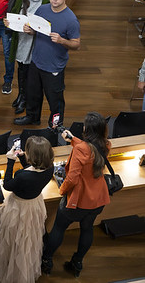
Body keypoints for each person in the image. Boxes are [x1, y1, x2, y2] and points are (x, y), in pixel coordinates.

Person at [41, 112, 111, 277]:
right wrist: (73, 139)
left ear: (88, 130)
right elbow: (91, 150)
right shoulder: (106, 144)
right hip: (98, 199)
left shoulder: (81, 149)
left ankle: (46, 260)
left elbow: (72, 179)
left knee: (59, 228)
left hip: (79, 200)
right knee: (87, 229)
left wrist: (62, 190)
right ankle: (77, 262)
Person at [15, 0, 81, 126]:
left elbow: (76, 44)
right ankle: (32, 117)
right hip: (36, 61)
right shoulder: (42, 9)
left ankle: (56, 125)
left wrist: (62, 40)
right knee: (33, 93)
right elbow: (36, 30)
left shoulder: (71, 20)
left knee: (55, 100)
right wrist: (30, 31)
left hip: (54, 66)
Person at [0, 136, 54, 283]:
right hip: (34, 205)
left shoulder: (22, 176)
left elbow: (7, 185)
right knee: (28, 238)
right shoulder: (50, 168)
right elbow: (33, 171)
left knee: (14, 237)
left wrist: (10, 161)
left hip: (18, 208)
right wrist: (21, 158)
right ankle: (24, 264)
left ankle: (11, 264)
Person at [5, 0, 48, 115]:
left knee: (30, 73)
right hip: (21, 40)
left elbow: (46, 26)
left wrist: (34, 32)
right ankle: (21, 95)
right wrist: (8, 22)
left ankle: (26, 100)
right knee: (21, 69)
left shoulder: (45, 1)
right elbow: (14, 13)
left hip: (34, 42)